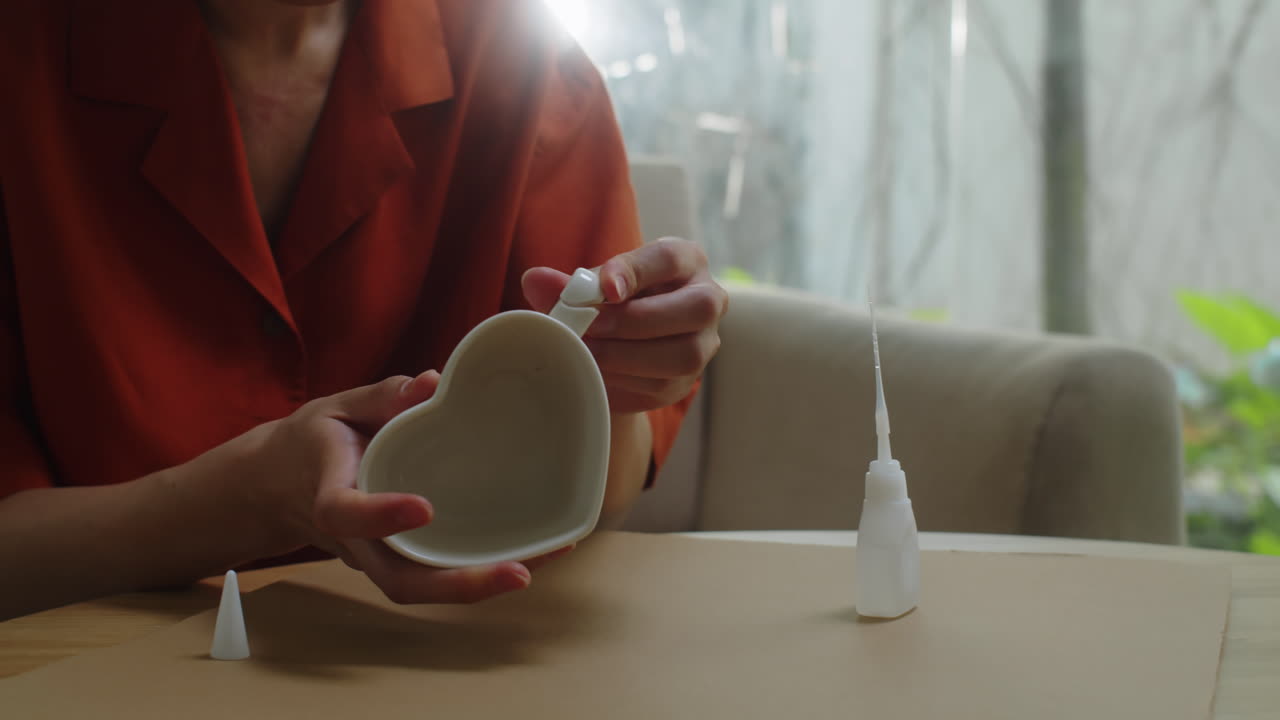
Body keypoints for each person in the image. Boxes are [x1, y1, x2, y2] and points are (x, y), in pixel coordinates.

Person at [0, 0, 727, 620]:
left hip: (442, 667)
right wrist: (246, 502)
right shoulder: (24, 60)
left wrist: (624, 379)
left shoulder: (525, 62)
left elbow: (599, 488)